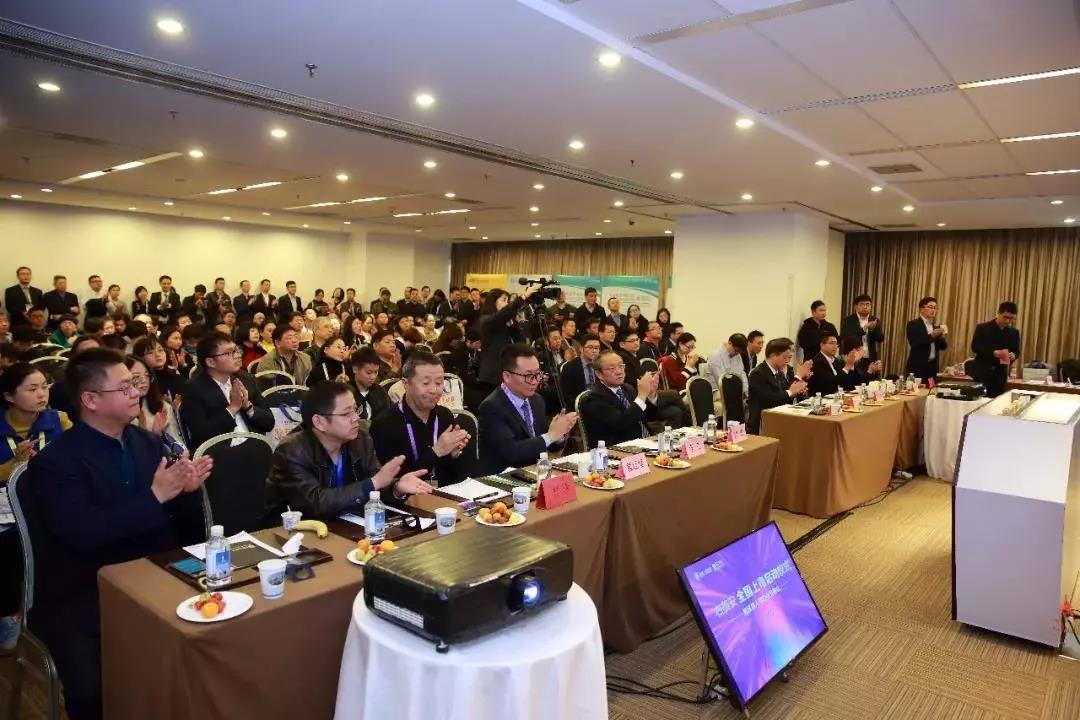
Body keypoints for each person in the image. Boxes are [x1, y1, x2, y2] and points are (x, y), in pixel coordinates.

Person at [26, 348, 211, 720]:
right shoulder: (55, 462)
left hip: (151, 573)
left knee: (205, 644)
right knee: (94, 690)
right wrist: (156, 496)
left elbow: (173, 527)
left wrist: (186, 494)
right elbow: (82, 534)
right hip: (85, 590)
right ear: (90, 400)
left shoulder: (147, 443)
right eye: (124, 387)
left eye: (135, 384)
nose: (136, 393)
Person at [267, 380, 432, 519]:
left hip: (348, 525)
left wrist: (396, 488)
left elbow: (375, 484)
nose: (356, 418)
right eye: (346, 414)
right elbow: (315, 504)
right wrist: (374, 483)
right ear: (319, 422)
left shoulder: (360, 438)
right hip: (294, 534)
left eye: (355, 409)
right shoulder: (291, 451)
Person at [369, 351, 471, 487]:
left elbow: (455, 476)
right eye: (426, 383)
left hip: (445, 494)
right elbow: (394, 484)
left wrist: (454, 454)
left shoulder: (445, 416)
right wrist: (436, 451)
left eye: (439, 383)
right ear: (406, 384)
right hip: (408, 498)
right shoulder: (384, 424)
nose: (434, 390)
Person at [477, 345, 579, 474]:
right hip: (504, 477)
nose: (535, 381)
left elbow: (544, 442)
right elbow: (512, 453)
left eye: (538, 374)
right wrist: (550, 436)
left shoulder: (536, 400)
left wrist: (560, 432)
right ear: (507, 376)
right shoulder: (491, 407)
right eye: (528, 375)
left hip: (534, 473)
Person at [180, 331, 275, 449]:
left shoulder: (246, 380)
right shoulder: (194, 389)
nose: (237, 355)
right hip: (221, 452)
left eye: (236, 350)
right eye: (229, 353)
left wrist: (248, 406)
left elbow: (270, 423)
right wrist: (232, 408)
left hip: (254, 445)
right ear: (210, 362)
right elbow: (200, 434)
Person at [578, 349, 660, 448]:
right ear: (599, 374)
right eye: (612, 368)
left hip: (645, 442)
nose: (619, 372)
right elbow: (622, 423)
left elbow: (650, 417)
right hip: (619, 448)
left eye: (621, 366)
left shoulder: (628, 388)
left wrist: (651, 395)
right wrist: (641, 396)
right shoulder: (594, 398)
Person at [747, 338, 811, 434]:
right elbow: (768, 400)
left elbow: (786, 396)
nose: (787, 361)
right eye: (785, 357)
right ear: (773, 355)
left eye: (789, 358)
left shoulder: (779, 373)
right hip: (762, 422)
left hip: (779, 417)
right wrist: (791, 391)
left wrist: (798, 390)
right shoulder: (758, 373)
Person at [125, 355, 184, 449]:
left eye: (146, 375)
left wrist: (158, 435)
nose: (144, 380)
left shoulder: (162, 406)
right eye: (136, 377)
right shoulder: (119, 415)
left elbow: (179, 446)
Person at [478, 288, 529, 391]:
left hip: (507, 372)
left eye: (508, 301)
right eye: (504, 300)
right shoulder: (486, 319)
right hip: (492, 377)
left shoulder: (505, 322)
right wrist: (523, 297)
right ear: (493, 302)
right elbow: (501, 315)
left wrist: (514, 325)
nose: (506, 303)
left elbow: (520, 341)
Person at [969, 301, 1021, 397]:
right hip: (982, 372)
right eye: (1005, 317)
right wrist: (993, 353)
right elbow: (975, 347)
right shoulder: (982, 328)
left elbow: (1016, 350)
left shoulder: (1014, 332)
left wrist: (1014, 355)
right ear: (998, 313)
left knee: (996, 401)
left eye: (1011, 318)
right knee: (979, 400)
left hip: (1000, 374)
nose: (1007, 321)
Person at [905, 296, 948, 382]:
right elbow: (915, 342)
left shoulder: (935, 326)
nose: (933, 310)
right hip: (918, 367)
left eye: (935, 308)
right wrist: (932, 335)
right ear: (922, 309)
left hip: (932, 368)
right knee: (916, 390)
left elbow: (943, 347)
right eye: (930, 307)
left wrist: (942, 335)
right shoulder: (913, 324)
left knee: (931, 389)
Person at [133, 336, 187, 403]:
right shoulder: (142, 383)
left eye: (160, 350)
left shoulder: (178, 378)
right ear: (140, 357)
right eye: (150, 352)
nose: (157, 355)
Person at [807, 330, 862, 397]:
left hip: (838, 398)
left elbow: (849, 385)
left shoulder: (836, 361)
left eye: (836, 344)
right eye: (832, 343)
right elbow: (830, 385)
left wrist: (851, 364)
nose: (835, 346)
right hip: (822, 399)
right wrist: (847, 367)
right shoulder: (817, 362)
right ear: (822, 345)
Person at [840, 294, 884, 372]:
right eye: (862, 304)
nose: (865, 307)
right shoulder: (848, 320)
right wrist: (864, 329)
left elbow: (880, 339)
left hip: (870, 358)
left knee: (870, 378)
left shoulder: (875, 320)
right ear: (856, 306)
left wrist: (872, 330)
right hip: (854, 358)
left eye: (867, 304)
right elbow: (847, 337)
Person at [349, 347, 393, 421]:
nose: (373, 377)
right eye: (368, 373)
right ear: (355, 369)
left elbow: (389, 414)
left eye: (376, 372)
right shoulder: (346, 393)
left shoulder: (380, 391)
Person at [560, 334, 602, 410]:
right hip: (579, 407)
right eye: (590, 347)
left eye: (597, 348)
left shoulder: (601, 366)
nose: (594, 351)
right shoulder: (569, 368)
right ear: (581, 349)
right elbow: (567, 396)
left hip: (600, 404)